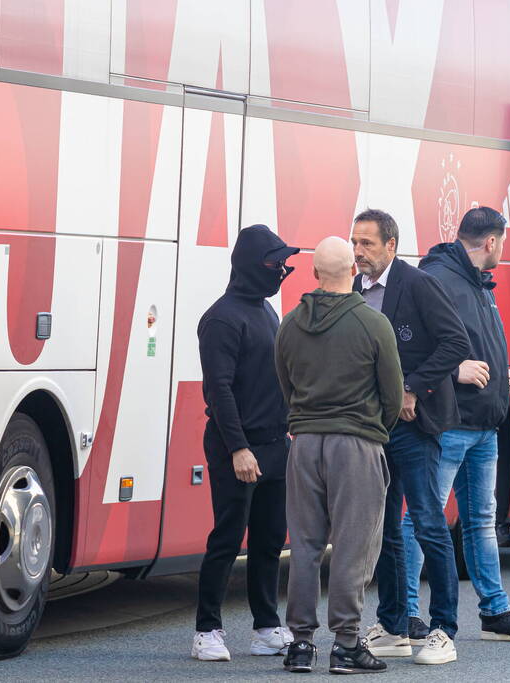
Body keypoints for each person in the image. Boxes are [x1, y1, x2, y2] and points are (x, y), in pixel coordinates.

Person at [406, 206, 510, 642]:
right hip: (449, 421)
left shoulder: (478, 283)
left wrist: (503, 375)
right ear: (492, 242)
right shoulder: (438, 280)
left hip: (483, 421)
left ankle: (495, 611)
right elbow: (406, 349)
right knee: (421, 519)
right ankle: (407, 612)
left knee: (481, 520)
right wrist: (453, 372)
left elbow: (477, 345)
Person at [274, 236, 404, 674]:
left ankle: (300, 645)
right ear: (355, 271)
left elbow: (285, 385)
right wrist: (370, 431)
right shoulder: (373, 323)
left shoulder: (289, 324)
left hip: (305, 443)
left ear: (313, 274)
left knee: (306, 545)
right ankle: (347, 643)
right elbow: (392, 395)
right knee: (353, 545)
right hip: (357, 443)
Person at [350, 209, 469, 665]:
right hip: (373, 427)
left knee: (427, 522)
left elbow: (456, 343)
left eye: (368, 243)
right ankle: (395, 625)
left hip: (415, 426)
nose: (359, 251)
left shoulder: (417, 284)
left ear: (392, 245)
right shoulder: (356, 290)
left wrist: (412, 387)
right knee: (384, 530)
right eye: (355, 242)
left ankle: (443, 630)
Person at [192, 224, 298, 663]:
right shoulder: (221, 318)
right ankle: (206, 630)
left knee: (271, 538)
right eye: (275, 264)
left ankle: (266, 626)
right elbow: (219, 391)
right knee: (228, 536)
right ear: (252, 266)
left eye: (284, 264)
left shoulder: (266, 311)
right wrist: (238, 448)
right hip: (236, 446)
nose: (282, 271)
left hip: (275, 444)